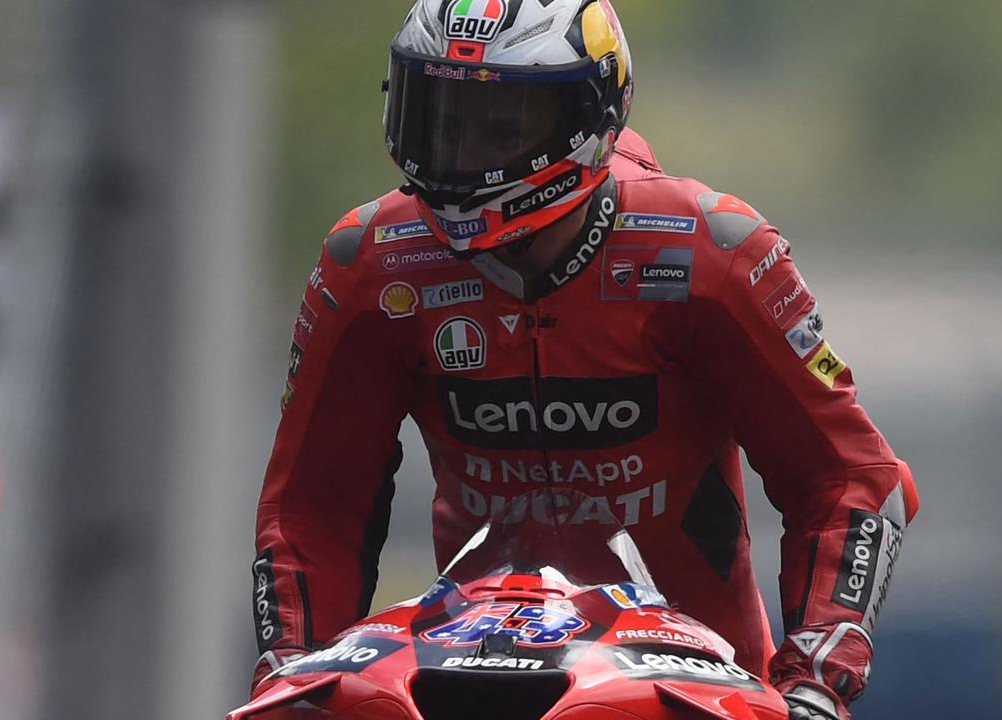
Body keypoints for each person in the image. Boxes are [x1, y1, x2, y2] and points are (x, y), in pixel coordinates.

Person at [252, 2, 920, 718]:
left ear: (588, 115)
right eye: (441, 117)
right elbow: (312, 505)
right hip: (452, 681)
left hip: (690, 690)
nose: (461, 154)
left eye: (501, 126)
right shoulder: (371, 262)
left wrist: (816, 680)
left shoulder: (714, 252)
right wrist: (291, 676)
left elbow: (850, 479)